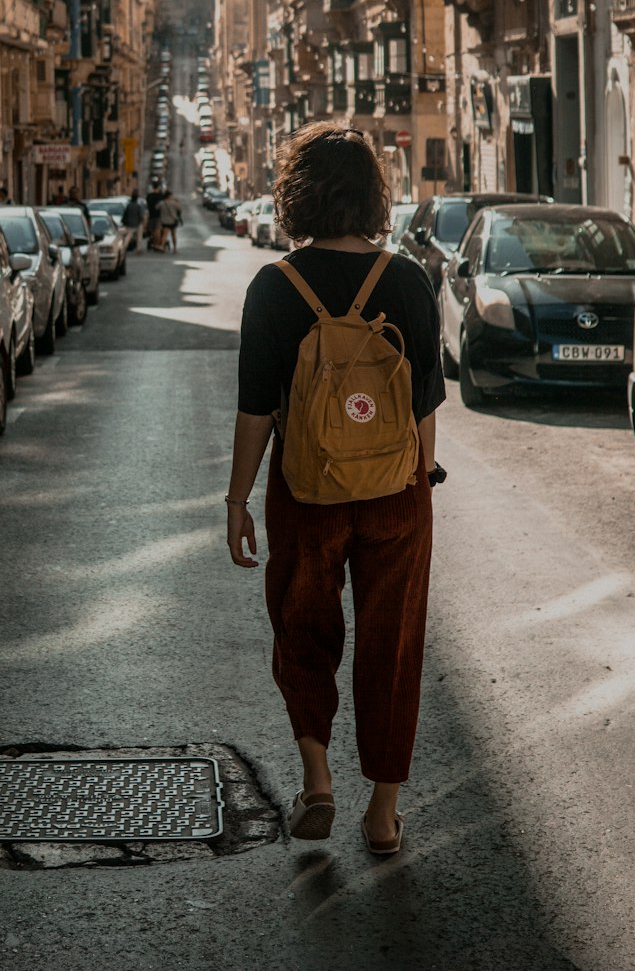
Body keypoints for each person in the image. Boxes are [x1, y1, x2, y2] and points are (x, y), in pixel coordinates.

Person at [226, 123, 445, 856]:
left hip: (306, 490)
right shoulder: (408, 279)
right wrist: (421, 484)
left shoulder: (274, 288)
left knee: (303, 629)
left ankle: (318, 780)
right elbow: (425, 408)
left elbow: (256, 407)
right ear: (373, 198)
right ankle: (382, 815)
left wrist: (236, 501)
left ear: (298, 196)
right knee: (393, 645)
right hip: (395, 494)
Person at [145, 180, 164, 250]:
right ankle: (157, 244)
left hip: (151, 215)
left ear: (153, 187)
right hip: (159, 215)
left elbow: (147, 205)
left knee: (153, 231)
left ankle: (154, 243)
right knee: (157, 230)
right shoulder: (161, 196)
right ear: (158, 187)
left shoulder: (149, 196)